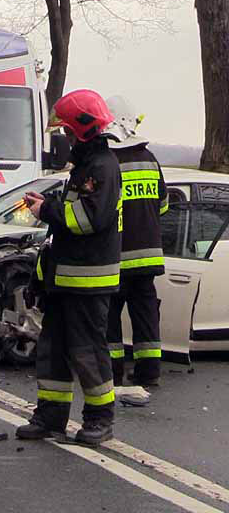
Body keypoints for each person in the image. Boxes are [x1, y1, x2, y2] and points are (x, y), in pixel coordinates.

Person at [18, 89, 122, 445]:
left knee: (88, 351)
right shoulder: (85, 167)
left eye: (64, 129)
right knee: (53, 349)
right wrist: (50, 204)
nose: (61, 136)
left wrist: (46, 210)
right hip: (66, 280)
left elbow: (87, 220)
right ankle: (50, 416)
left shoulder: (102, 168)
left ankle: (99, 420)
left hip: (88, 282)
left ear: (80, 129)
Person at [105, 96, 168, 388]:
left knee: (110, 318)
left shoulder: (109, 162)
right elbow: (164, 204)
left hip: (116, 256)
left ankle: (113, 373)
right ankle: (149, 372)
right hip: (149, 257)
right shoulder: (151, 160)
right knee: (145, 318)